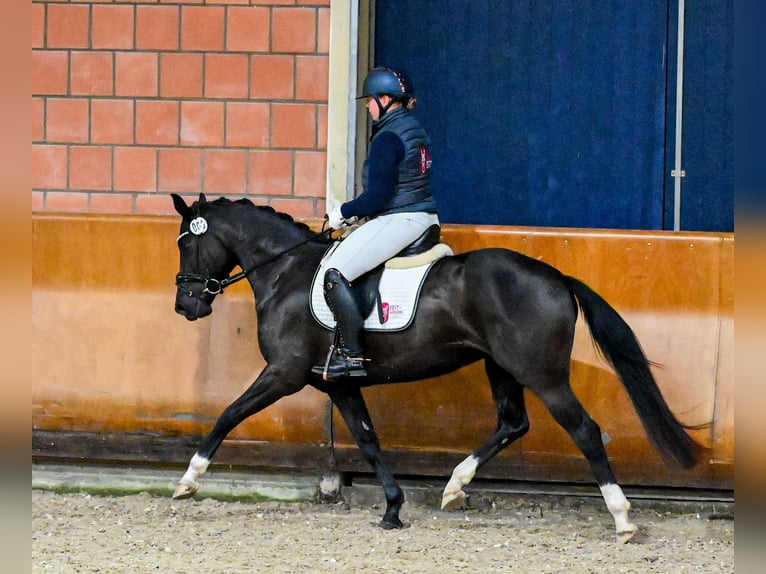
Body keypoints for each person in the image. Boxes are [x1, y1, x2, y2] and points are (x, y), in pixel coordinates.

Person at [311, 67, 440, 380]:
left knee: (334, 272)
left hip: (401, 218)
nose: (368, 106)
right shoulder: (413, 128)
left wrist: (343, 211)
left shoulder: (388, 137)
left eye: (370, 100)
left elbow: (378, 196)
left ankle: (351, 356)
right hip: (422, 217)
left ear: (385, 99)